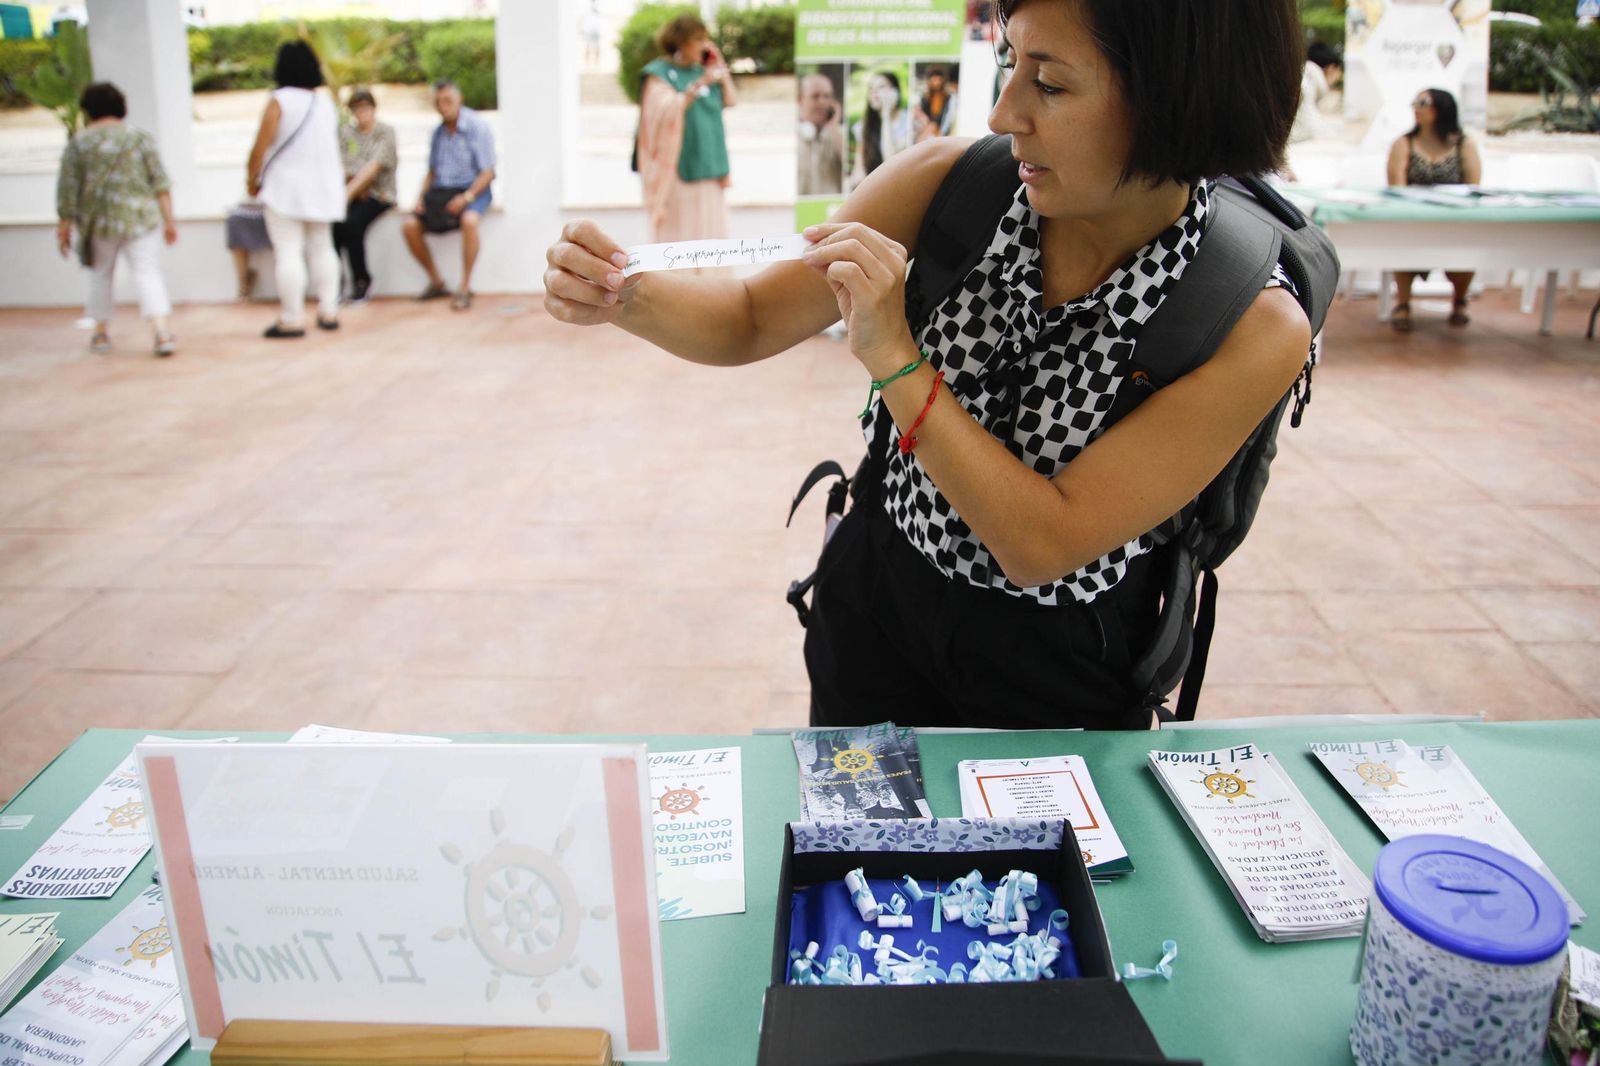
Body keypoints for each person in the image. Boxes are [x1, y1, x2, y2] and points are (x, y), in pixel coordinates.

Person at [544, 0, 1311, 730]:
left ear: (1178, 97)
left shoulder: (1250, 322)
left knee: (1032, 866)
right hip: (881, 597)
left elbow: (1043, 543)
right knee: (855, 857)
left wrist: (895, 358)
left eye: (1048, 82)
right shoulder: (950, 185)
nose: (1003, 113)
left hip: (1063, 664)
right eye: (1009, 63)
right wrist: (624, 295)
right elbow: (749, 317)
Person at [55, 82, 178, 358]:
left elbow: (68, 190)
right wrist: (169, 220)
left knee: (100, 276)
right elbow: (160, 182)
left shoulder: (79, 143)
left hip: (99, 221)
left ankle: (100, 333)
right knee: (148, 272)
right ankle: (161, 332)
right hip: (140, 218)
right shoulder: (139, 138)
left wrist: (64, 227)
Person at [246, 40, 344, 338]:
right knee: (322, 247)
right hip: (323, 187)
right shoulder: (325, 102)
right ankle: (329, 310)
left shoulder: (280, 100)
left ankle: (292, 317)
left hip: (285, 189)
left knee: (288, 252)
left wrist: (251, 179)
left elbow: (261, 146)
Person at [1386, 86, 1481, 331]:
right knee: (1404, 244)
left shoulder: (1464, 145)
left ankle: (1460, 300)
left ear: (1442, 108)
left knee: (1466, 249)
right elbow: (1396, 187)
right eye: (1415, 102)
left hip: (1453, 222)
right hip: (1413, 220)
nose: (1416, 108)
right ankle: (1403, 303)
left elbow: (1474, 187)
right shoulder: (1404, 143)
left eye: (1423, 103)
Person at [636, 15, 735, 243]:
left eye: (705, 40)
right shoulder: (659, 74)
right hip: (678, 170)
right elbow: (663, 110)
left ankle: (711, 280)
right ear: (680, 42)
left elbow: (730, 101)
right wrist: (700, 84)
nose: (703, 46)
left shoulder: (705, 71)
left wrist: (718, 68)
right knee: (681, 238)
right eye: (698, 39)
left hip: (710, 167)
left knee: (711, 237)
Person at [402, 80, 497, 310]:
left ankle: (464, 287)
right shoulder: (438, 133)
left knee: (470, 221)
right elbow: (432, 172)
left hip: (473, 190)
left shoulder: (477, 127)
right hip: (441, 193)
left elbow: (488, 173)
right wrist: (420, 200)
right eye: (438, 102)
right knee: (409, 226)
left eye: (448, 101)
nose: (443, 107)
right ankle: (437, 282)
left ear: (459, 99)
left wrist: (466, 198)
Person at [332, 87, 398, 305]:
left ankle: (362, 282)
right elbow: (342, 165)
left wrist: (347, 195)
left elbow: (374, 168)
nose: (362, 112)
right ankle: (336, 284)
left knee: (353, 225)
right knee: (334, 228)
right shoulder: (346, 133)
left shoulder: (384, 132)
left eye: (366, 107)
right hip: (352, 192)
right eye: (357, 108)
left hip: (379, 194)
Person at [848, 71, 912, 190]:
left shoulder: (909, 122)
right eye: (871, 88)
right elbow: (859, 172)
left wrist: (886, 115)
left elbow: (892, 163)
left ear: (895, 92)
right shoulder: (863, 126)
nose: (874, 92)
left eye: (881, 87)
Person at [797, 71, 844, 196]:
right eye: (815, 96)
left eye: (827, 96)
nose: (822, 102)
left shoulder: (837, 134)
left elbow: (850, 163)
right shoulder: (794, 136)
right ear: (800, 100)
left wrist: (833, 127)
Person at [1289, 42, 1343, 144]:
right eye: (1338, 74)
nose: (1336, 80)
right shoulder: (1305, 83)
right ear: (1331, 68)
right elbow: (1308, 130)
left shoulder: (1301, 76)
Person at [918, 66, 958, 139]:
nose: (936, 82)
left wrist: (941, 132)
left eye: (938, 79)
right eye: (934, 79)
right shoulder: (925, 98)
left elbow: (948, 118)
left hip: (940, 132)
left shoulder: (948, 97)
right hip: (928, 130)